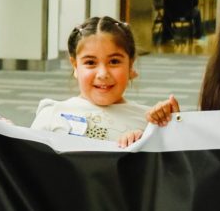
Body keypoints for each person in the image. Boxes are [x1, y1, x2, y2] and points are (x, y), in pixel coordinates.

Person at [30, 16, 179, 147]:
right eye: (90, 62)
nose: (103, 74)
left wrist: (173, 125)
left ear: (130, 65)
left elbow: (174, 165)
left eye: (114, 61)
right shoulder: (52, 114)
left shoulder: (149, 121)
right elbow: (28, 163)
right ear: (75, 66)